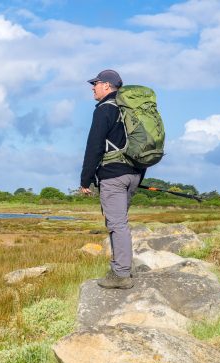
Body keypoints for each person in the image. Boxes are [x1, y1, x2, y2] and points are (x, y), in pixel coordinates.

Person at [80, 69, 144, 289]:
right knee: (119, 223)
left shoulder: (105, 109)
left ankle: (121, 274)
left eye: (95, 83)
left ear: (106, 86)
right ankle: (124, 265)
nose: (92, 87)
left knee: (116, 224)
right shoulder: (130, 110)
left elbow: (94, 147)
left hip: (113, 176)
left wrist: (85, 180)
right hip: (134, 173)